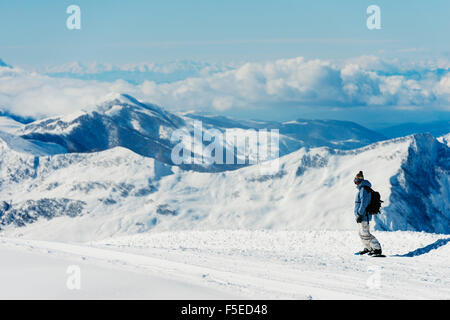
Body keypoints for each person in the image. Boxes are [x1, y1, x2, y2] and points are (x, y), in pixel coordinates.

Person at [354, 171, 382, 256]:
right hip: (361, 216)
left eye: (356, 179)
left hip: (363, 216)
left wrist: (360, 213)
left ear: (360, 180)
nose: (355, 181)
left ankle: (377, 249)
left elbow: (364, 203)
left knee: (365, 233)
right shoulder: (362, 189)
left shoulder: (364, 189)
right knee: (361, 233)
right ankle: (368, 248)